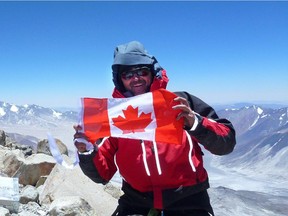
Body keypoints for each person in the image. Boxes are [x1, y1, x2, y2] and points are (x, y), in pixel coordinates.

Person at [73, 41, 236, 216]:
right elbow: (101, 175)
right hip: (135, 203)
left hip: (189, 201)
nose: (135, 78)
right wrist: (86, 151)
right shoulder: (114, 116)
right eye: (127, 74)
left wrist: (195, 123)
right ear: (119, 79)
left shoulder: (180, 102)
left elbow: (226, 143)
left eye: (141, 71)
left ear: (153, 73)